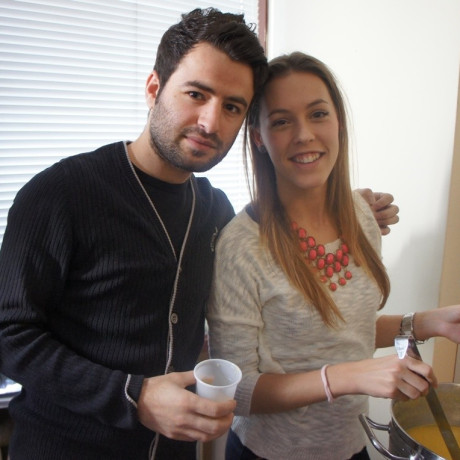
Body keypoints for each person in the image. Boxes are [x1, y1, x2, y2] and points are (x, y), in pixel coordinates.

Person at [0, 8, 396, 459]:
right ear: (154, 88)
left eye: (232, 107)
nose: (211, 122)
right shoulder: (60, 194)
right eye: (196, 94)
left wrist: (343, 207)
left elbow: (271, 263)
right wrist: (134, 395)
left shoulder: (214, 212)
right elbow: (10, 332)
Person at [206, 52, 460, 460]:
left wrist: (427, 322)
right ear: (258, 137)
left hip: (351, 444)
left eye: (318, 114)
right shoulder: (242, 247)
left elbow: (343, 333)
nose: (304, 134)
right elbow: (239, 390)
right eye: (282, 121)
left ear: (339, 122)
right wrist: (348, 377)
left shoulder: (361, 217)